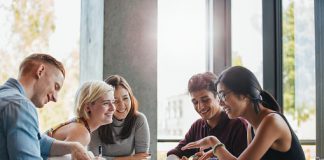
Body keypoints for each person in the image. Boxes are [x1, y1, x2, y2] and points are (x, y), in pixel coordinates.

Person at [182, 66, 306, 160]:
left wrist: (214, 143)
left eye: (223, 95)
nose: (220, 103)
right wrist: (216, 151)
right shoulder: (251, 128)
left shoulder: (271, 121)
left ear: (244, 94)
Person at [0, 53, 91, 160]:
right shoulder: (21, 106)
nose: (55, 98)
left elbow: (35, 139)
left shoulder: (6, 97)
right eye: (56, 86)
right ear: (40, 71)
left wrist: (73, 146)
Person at [167, 72, 248, 160]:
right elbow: (175, 153)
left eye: (205, 100)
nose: (200, 107)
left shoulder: (238, 125)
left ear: (218, 97)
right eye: (195, 102)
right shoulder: (197, 126)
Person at [88, 75, 150, 160]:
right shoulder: (97, 120)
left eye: (125, 98)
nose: (121, 105)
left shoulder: (139, 120)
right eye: (115, 101)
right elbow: (93, 158)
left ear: (131, 98)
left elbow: (143, 158)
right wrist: (131, 158)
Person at [46, 80, 116, 147]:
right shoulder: (81, 133)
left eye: (113, 102)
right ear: (87, 107)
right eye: (106, 103)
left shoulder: (79, 125)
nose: (113, 108)